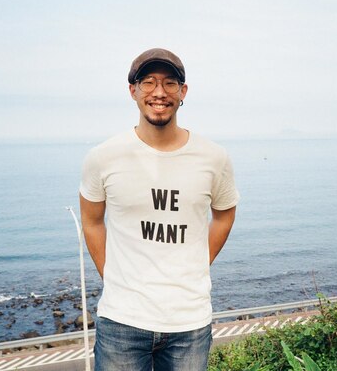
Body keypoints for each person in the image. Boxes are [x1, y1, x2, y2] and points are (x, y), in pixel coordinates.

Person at [79, 48, 240, 371]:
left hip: (189, 321)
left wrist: (197, 261)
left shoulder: (213, 157)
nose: (159, 92)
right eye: (148, 82)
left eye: (169, 83)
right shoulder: (104, 156)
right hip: (122, 319)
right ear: (133, 91)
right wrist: (112, 275)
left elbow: (224, 214)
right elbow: (92, 221)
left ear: (183, 92)